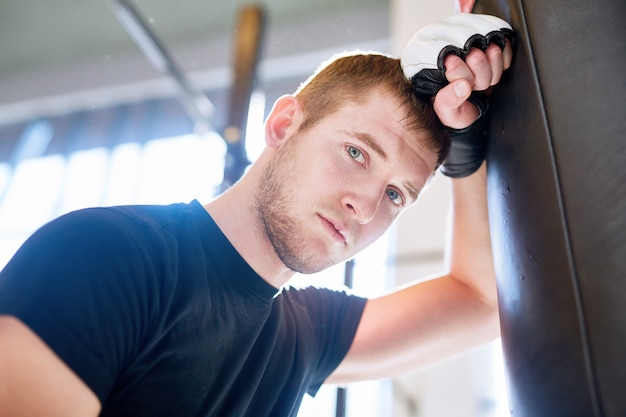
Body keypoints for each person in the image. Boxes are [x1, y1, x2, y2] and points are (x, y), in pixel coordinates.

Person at [0, 13, 513, 417]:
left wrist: (466, 148)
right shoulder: (104, 257)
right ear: (284, 123)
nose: (366, 206)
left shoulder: (304, 332)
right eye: (356, 152)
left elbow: (482, 301)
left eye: (397, 195)